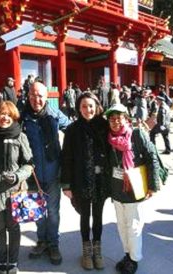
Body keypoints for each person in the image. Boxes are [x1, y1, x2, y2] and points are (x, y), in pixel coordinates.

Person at [106, 104, 161, 274]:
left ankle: (134, 259)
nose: (115, 122)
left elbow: (152, 158)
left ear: (126, 119)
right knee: (122, 226)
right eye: (112, 119)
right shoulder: (109, 138)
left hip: (135, 189)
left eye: (119, 117)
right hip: (117, 190)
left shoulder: (136, 134)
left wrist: (153, 185)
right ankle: (128, 254)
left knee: (134, 226)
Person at [21, 81, 71, 265]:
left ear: (46, 96)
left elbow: (72, 130)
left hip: (52, 171)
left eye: (40, 95)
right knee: (37, 210)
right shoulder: (23, 116)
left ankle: (53, 244)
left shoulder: (54, 114)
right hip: (32, 174)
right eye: (33, 95)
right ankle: (41, 240)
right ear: (28, 96)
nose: (37, 99)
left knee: (52, 211)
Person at [61, 92, 111, 270]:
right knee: (85, 216)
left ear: (97, 106)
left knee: (98, 217)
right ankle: (86, 250)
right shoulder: (73, 129)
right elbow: (66, 157)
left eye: (91, 106)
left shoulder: (105, 126)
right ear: (78, 108)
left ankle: (97, 250)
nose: (88, 110)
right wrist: (66, 185)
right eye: (83, 106)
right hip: (80, 180)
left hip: (101, 181)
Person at [0, 101, 33, 274]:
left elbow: (29, 164)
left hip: (14, 191)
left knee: (13, 227)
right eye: (1, 114)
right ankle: (1, 260)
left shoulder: (20, 136)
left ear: (13, 116)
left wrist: (18, 176)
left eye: (7, 115)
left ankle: (13, 261)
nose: (4, 118)